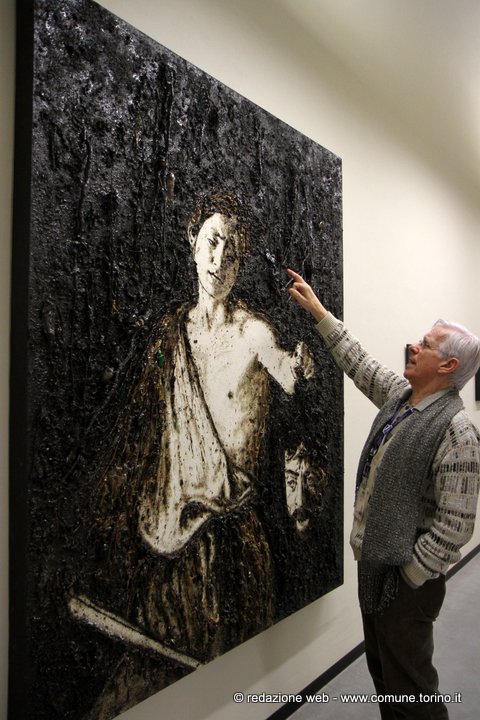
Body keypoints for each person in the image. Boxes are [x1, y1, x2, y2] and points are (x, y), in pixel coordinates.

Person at [75, 194, 316, 719]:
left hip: (232, 539)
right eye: (211, 242)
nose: (218, 259)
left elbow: (288, 375)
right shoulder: (170, 336)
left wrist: (299, 366)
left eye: (231, 252)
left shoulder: (253, 332)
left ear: (240, 264)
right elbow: (137, 435)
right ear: (192, 243)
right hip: (169, 539)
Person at [286, 267, 480, 720]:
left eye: (425, 345)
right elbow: (360, 364)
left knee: (412, 692)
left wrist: (409, 576)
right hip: (376, 570)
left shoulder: (457, 433)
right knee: (386, 680)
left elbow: (456, 527)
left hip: (406, 586)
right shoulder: (401, 398)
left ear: (448, 366)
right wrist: (319, 312)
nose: (413, 346)